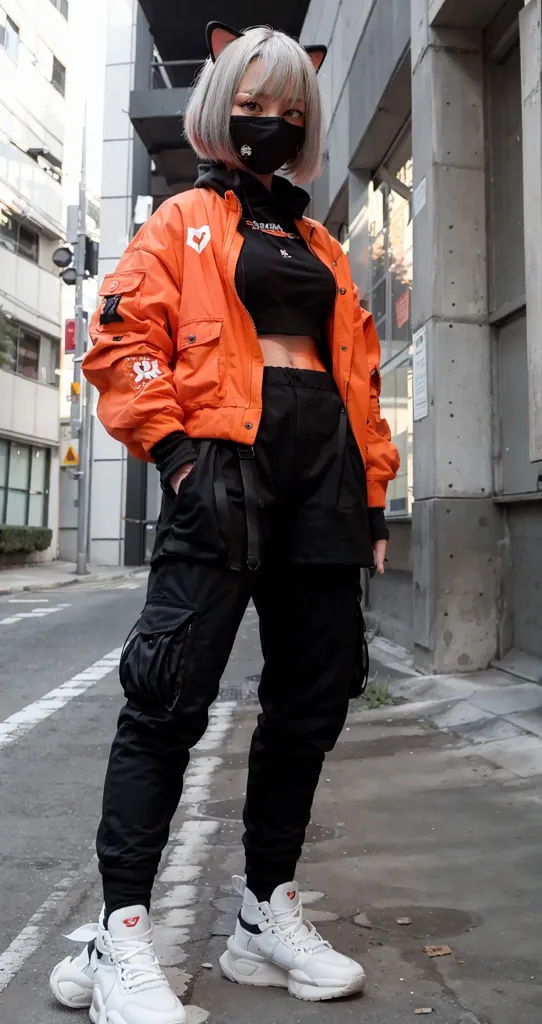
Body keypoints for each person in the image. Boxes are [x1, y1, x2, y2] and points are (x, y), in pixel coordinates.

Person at [49, 21, 399, 1024]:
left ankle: (262, 911)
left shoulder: (323, 241)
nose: (270, 124)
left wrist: (369, 493)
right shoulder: (180, 222)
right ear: (217, 109)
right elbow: (121, 340)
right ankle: (120, 932)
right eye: (255, 105)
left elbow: (361, 382)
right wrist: (174, 453)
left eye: (290, 112)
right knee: (167, 691)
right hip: (222, 468)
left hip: (322, 477)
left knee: (314, 693)